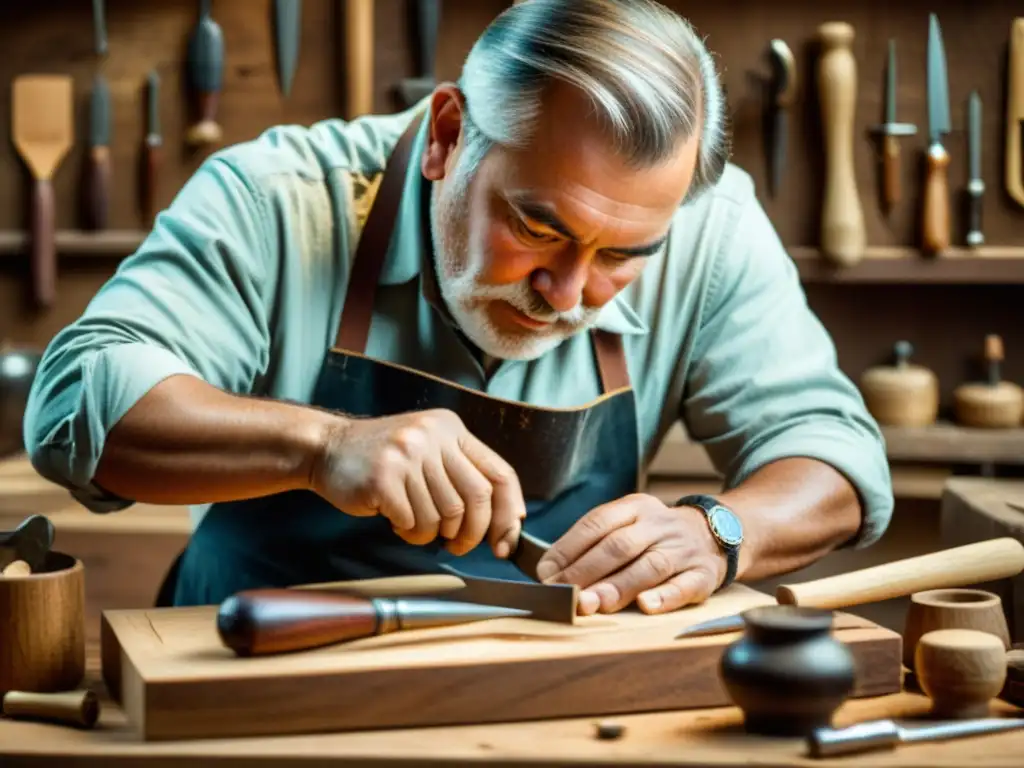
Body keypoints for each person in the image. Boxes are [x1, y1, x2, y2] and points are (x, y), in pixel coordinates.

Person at [23, 0, 892, 615]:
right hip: (249, 662)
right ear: (446, 137)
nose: (565, 293)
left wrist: (721, 530)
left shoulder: (713, 226)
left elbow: (834, 457)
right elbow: (77, 402)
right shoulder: (280, 196)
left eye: (622, 257)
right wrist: (323, 446)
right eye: (537, 225)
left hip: (535, 689)